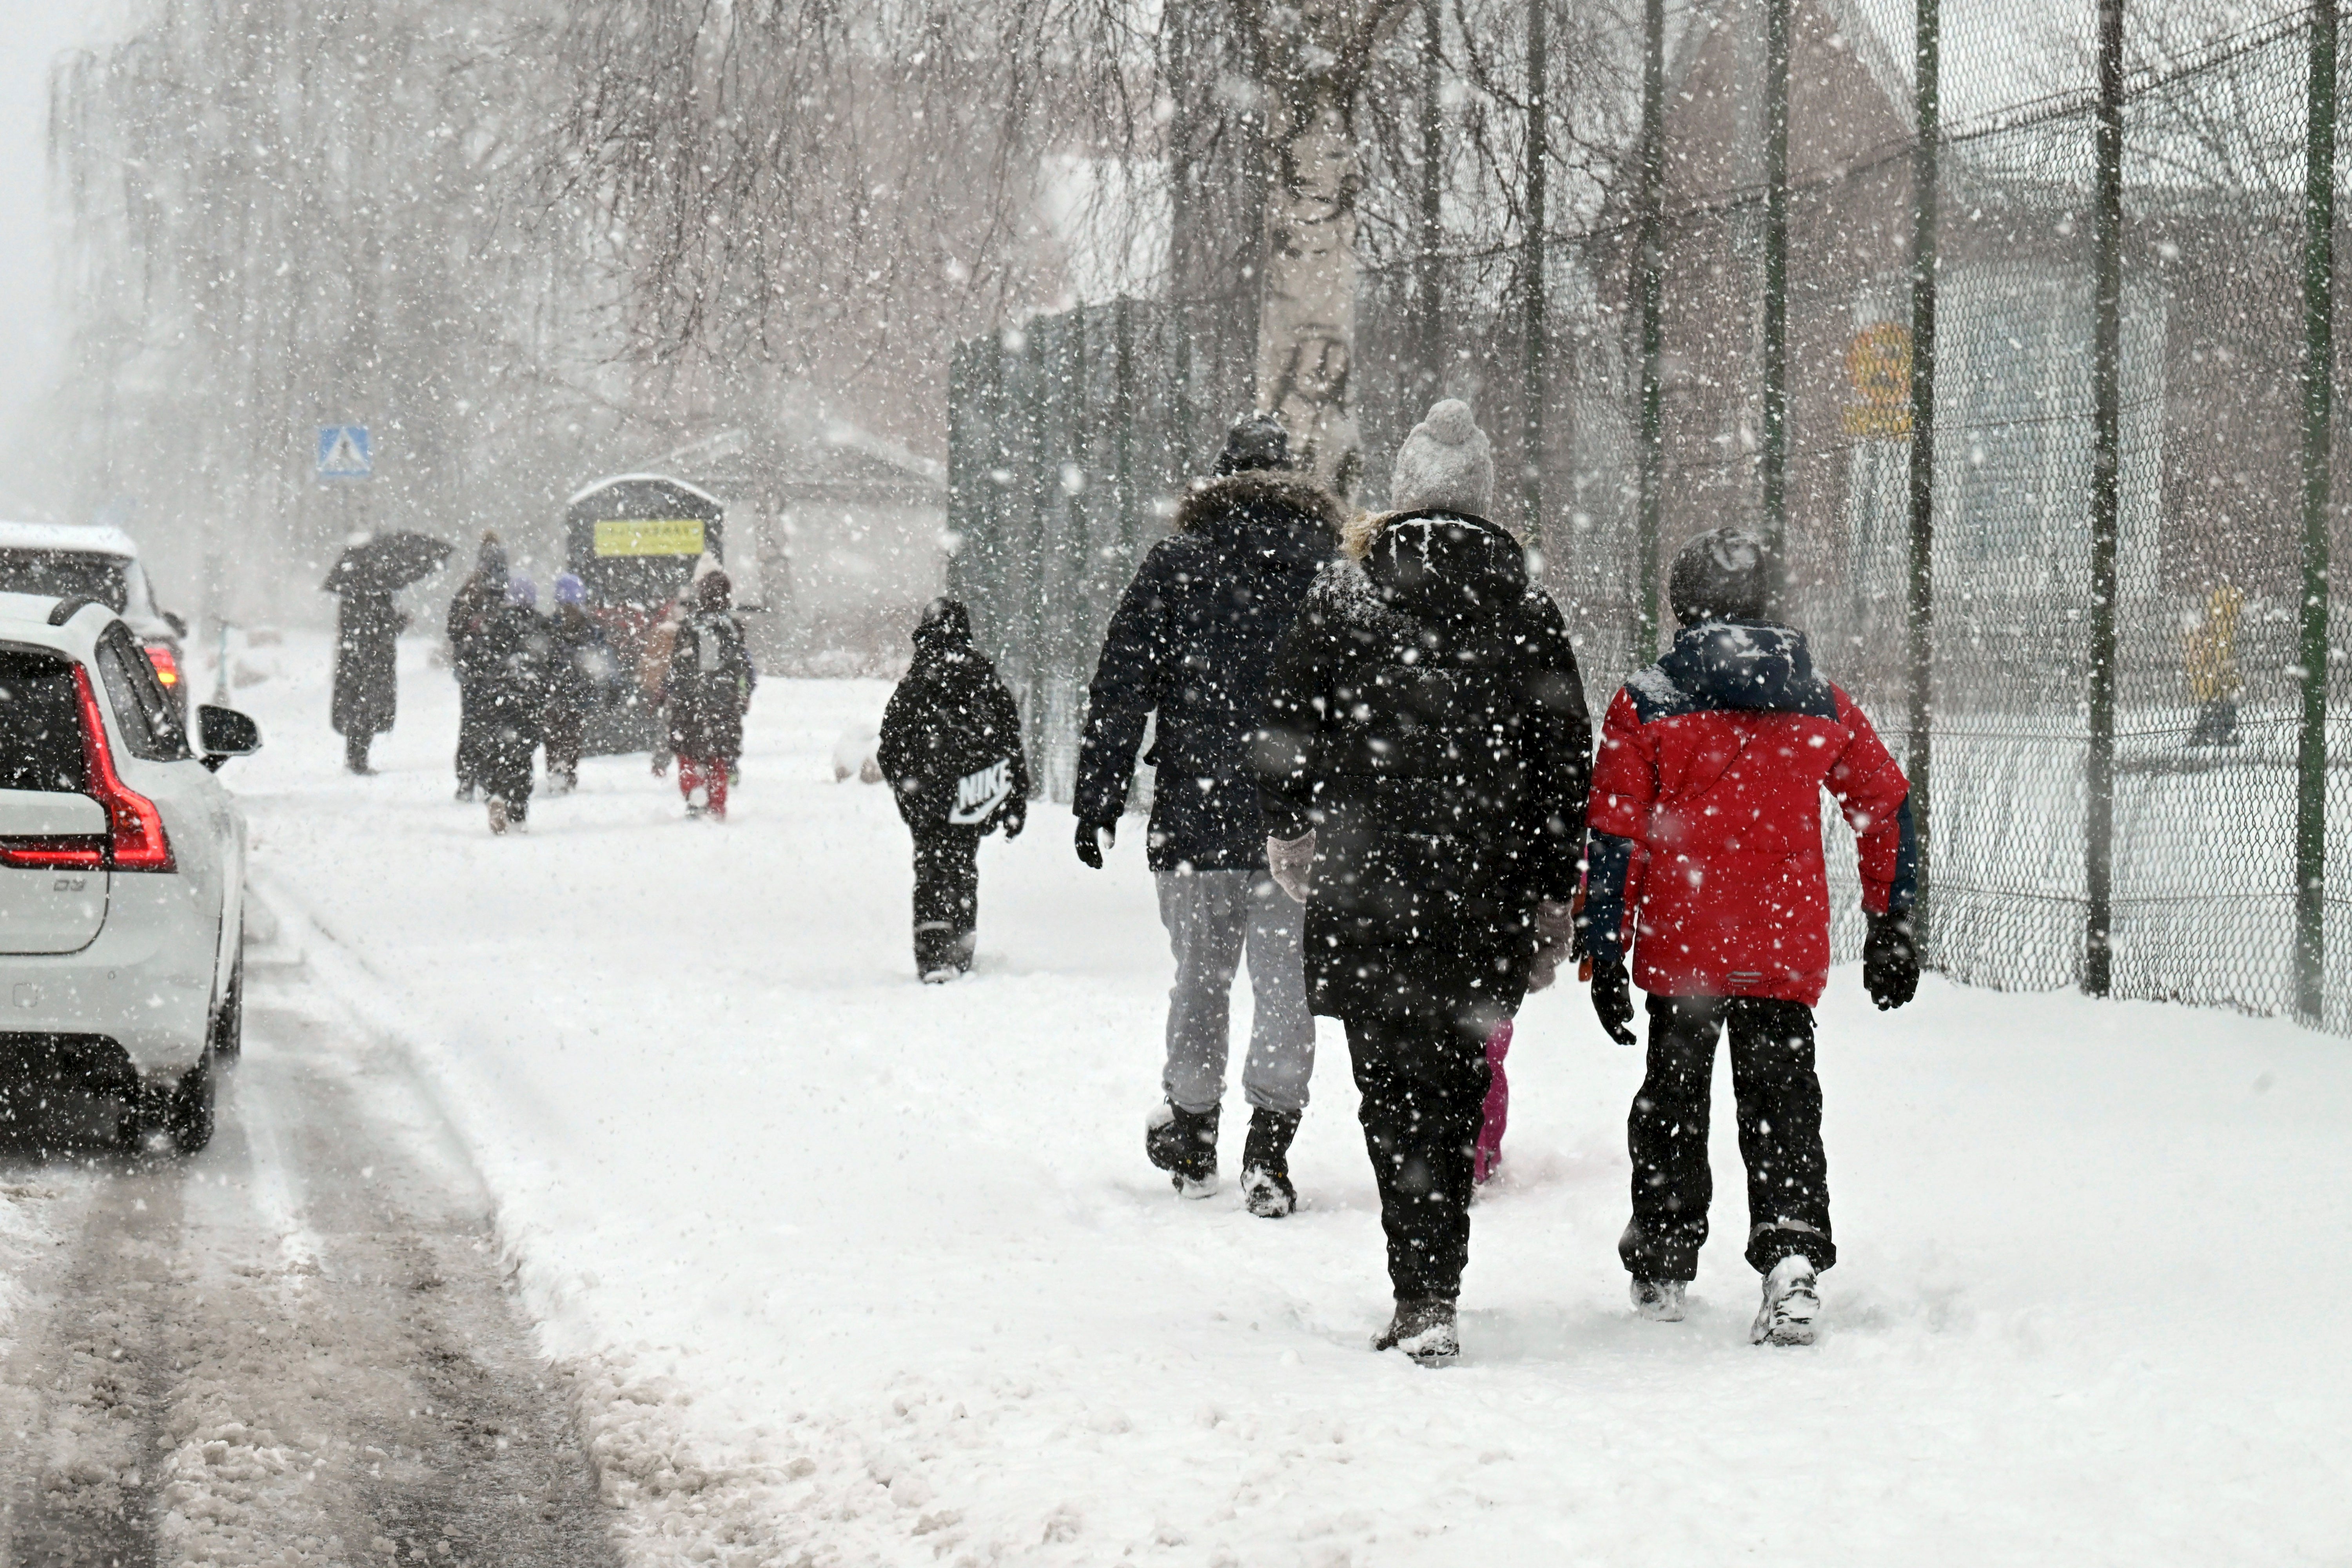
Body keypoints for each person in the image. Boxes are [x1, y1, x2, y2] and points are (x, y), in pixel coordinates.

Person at [1254, 400, 1592, 1361]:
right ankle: (1438, 1277)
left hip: (1367, 884)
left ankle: (1419, 1283)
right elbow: (1563, 763)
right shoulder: (1525, 613)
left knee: (1388, 1085)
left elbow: (1284, 732)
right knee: (1455, 1083)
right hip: (1483, 894)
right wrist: (1549, 886)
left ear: (1401, 496)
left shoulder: (1345, 601)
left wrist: (1293, 829)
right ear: (1483, 498)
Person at [1583, 525, 1918, 1348]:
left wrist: (1606, 946)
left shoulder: (1647, 701)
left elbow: (1617, 832)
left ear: (1682, 605)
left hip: (1685, 942)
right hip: (1780, 940)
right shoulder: (1819, 700)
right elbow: (1885, 803)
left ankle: (1663, 1260)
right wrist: (1891, 920)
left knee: (1673, 1102)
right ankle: (1792, 1255)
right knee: (1782, 1103)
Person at [1073, 413, 1339, 1217]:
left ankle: (1192, 1130)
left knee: (1199, 980)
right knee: (1286, 986)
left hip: (1196, 811)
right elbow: (1357, 700)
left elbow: (1122, 685)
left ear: (1219, 480)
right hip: (1296, 820)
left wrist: (1099, 794)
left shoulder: (1177, 564)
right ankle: (1271, 1145)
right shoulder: (1329, 570)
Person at [877, 599, 1030, 981]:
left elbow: (890, 746)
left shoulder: (916, 683)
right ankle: (961, 946)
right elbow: (1010, 745)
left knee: (930, 868)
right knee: (962, 865)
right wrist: (1013, 801)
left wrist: (908, 789)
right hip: (971, 794)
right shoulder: (983, 679)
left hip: (926, 797)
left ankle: (933, 954)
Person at [661, 570, 755, 820]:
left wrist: (670, 692)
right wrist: (742, 695)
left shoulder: (689, 626)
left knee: (688, 753)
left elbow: (676, 668)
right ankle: (717, 805)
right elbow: (744, 669)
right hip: (723, 704)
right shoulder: (733, 628)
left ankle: (694, 793)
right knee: (719, 757)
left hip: (689, 703)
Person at [478, 575, 553, 835]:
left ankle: (495, 793)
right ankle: (518, 809)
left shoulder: (495, 624)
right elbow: (550, 662)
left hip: (498, 696)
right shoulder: (540, 626)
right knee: (522, 756)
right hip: (529, 698)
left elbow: (483, 660)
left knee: (496, 750)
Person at [445, 531, 508, 800]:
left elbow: (453, 630)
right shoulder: (506, 593)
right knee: (494, 723)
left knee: (472, 722)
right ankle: (487, 776)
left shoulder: (469, 591)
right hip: (497, 669)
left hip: (473, 667)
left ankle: (468, 777)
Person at [543, 572, 607, 793]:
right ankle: (568, 771)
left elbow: (543, 656)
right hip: (579, 690)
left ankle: (556, 770)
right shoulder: (589, 628)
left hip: (555, 689)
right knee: (573, 733)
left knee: (554, 734)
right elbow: (599, 657)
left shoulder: (550, 626)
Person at [332, 588, 406, 774]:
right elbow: (383, 634)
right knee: (367, 712)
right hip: (374, 666)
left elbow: (351, 631)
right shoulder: (379, 601)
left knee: (356, 710)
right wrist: (402, 622)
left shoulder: (350, 599)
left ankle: (354, 757)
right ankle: (359, 759)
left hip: (352, 664)